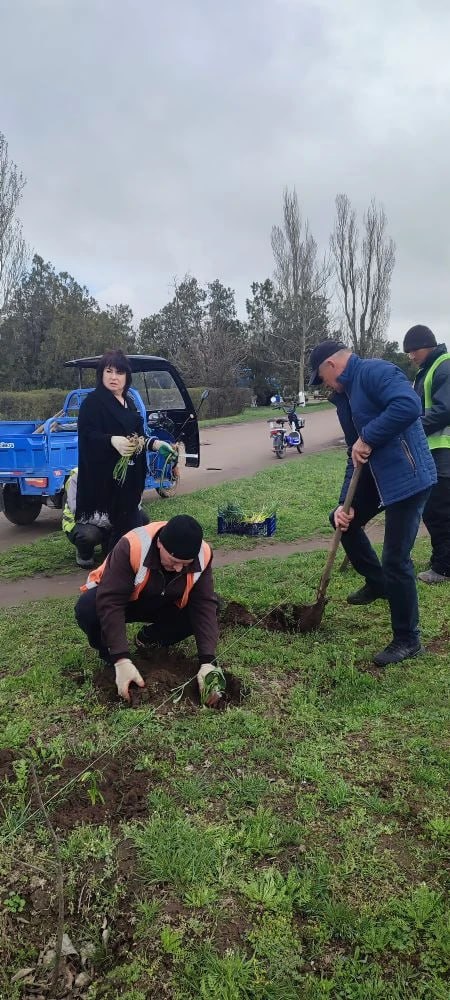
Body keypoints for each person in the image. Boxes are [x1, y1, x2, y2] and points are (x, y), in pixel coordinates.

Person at [308, 340, 437, 666]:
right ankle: (377, 582)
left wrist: (369, 436)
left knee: (396, 559)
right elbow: (356, 453)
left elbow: (409, 405)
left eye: (321, 376)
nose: (323, 384)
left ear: (332, 365)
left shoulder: (375, 372)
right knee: (342, 521)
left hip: (408, 476)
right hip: (377, 479)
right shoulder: (345, 397)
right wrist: (343, 503)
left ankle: (409, 639)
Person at [74, 514, 220, 704]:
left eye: (185, 565)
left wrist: (208, 661)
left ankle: (150, 639)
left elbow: (204, 604)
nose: (177, 569)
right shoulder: (133, 545)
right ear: (159, 544)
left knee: (213, 607)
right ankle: (113, 661)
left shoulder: (203, 554)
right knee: (87, 608)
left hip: (165, 601)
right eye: (173, 561)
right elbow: (111, 602)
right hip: (127, 601)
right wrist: (121, 659)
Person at [76, 349, 176, 553]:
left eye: (119, 373)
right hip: (107, 481)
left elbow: (137, 437)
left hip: (128, 480)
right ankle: (112, 571)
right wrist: (111, 441)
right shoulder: (92, 403)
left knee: (130, 526)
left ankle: (111, 560)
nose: (114, 377)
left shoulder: (128, 402)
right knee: (130, 530)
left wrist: (155, 444)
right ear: (101, 374)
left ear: (127, 377)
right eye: (109, 371)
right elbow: (87, 436)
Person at [403, 325, 450, 583]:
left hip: (444, 451)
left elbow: (445, 410)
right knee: (436, 509)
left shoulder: (443, 366)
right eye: (408, 352)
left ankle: (444, 568)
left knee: (439, 510)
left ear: (428, 346)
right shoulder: (426, 371)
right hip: (434, 450)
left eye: (414, 350)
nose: (411, 355)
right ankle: (441, 559)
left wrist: (409, 427)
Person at [62, 467, 150, 569]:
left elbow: (135, 502)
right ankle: (84, 554)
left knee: (142, 519)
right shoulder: (78, 476)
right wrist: (113, 520)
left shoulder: (120, 470)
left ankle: (112, 545)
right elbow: (80, 512)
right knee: (88, 536)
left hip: (109, 518)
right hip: (83, 521)